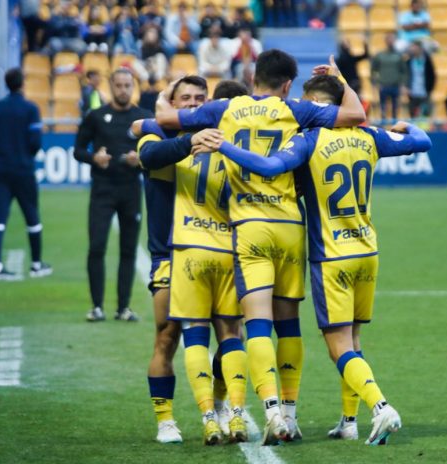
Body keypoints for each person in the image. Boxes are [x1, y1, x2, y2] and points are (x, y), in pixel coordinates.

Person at [196, 73, 432, 446]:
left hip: (331, 256)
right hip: (368, 251)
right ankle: (349, 421)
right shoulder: (371, 135)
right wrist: (407, 124)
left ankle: (380, 406)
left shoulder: (309, 138)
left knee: (338, 344)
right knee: (353, 340)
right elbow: (422, 140)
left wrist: (224, 145)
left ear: (315, 103)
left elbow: (271, 167)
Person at [155, 49, 366, 445]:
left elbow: (164, 117)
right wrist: (341, 80)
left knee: (254, 324)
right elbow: (356, 115)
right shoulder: (297, 109)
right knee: (288, 324)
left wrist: (166, 93)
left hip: (247, 228)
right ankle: (290, 412)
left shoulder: (224, 108)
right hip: (290, 225)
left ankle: (267, 409)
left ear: (254, 76)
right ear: (287, 84)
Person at [136, 78, 251, 445]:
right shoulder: (157, 137)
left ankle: (218, 407)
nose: (193, 104)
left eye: (200, 99)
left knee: (230, 335)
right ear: (171, 105)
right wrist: (187, 141)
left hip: (220, 252)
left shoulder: (226, 142)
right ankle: (165, 419)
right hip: (169, 255)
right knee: (167, 337)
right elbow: (149, 155)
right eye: (185, 99)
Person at [73, 68, 153, 323]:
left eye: (127, 85)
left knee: (128, 249)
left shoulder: (144, 118)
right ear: (111, 86)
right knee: (97, 247)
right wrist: (94, 158)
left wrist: (139, 159)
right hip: (102, 190)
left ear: (134, 87)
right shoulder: (96, 116)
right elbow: (77, 150)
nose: (123, 90)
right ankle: (97, 306)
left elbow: (155, 154)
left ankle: (123, 308)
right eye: (118, 85)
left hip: (131, 190)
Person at [0, 68, 52, 281]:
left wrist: (1, 145)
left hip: (1, 169)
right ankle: (36, 265)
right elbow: (35, 142)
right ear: (22, 84)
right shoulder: (30, 109)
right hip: (24, 170)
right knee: (32, 218)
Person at [371, 32, 407, 122]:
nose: (391, 41)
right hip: (383, 85)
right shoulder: (380, 55)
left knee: (395, 109)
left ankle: (395, 128)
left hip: (395, 86)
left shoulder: (399, 55)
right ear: (386, 41)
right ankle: (383, 128)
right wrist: (375, 82)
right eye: (389, 39)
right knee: (383, 108)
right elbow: (373, 69)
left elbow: (403, 71)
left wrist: (402, 84)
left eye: (392, 39)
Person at [406, 41, 435, 119]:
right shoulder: (409, 62)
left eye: (415, 48)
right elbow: (406, 76)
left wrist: (429, 89)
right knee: (413, 115)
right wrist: (407, 87)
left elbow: (432, 76)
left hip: (424, 92)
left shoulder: (427, 61)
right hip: (413, 93)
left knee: (425, 115)